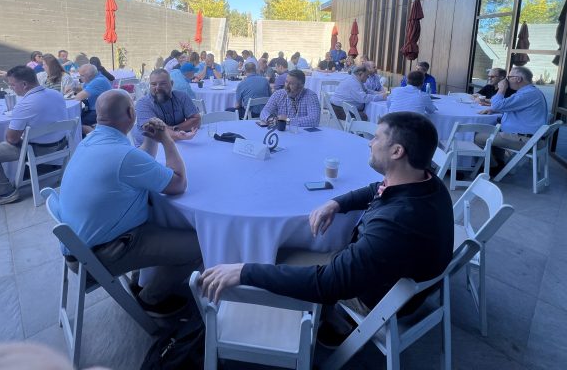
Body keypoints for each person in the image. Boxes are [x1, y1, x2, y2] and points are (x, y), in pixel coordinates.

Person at [199, 112, 454, 337]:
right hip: (407, 283)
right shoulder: (426, 182)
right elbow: (379, 188)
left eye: (377, 138)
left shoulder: (396, 223)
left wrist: (245, 271)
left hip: (381, 300)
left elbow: (327, 283)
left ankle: (329, 323)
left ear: (397, 151)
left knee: (282, 257)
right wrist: (337, 203)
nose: (370, 143)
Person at [58, 90, 202, 315]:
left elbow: (137, 163)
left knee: (158, 219)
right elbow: (178, 183)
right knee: (199, 246)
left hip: (80, 248)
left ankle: (142, 280)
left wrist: (151, 139)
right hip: (100, 255)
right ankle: (151, 298)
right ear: (130, 113)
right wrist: (166, 139)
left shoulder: (92, 141)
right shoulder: (122, 154)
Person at [0, 65, 68, 205]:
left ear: (24, 85)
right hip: (61, 143)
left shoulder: (25, 104)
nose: (11, 88)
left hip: (38, 149)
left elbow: (11, 139)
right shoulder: (56, 94)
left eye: (12, 85)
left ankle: (5, 193)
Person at [476, 66, 549, 168]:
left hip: (525, 140)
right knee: (494, 131)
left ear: (518, 79)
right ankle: (499, 162)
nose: (506, 80)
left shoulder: (527, 94)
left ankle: (493, 167)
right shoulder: (529, 92)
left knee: (477, 137)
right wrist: (493, 109)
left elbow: (497, 104)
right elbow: (507, 105)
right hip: (527, 137)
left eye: (509, 77)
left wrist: (501, 89)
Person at [134, 68, 200, 145]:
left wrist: (175, 128)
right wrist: (178, 135)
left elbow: (196, 120)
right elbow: (154, 130)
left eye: (163, 83)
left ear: (171, 84)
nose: (158, 88)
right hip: (150, 148)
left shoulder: (182, 97)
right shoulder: (143, 103)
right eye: (153, 84)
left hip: (179, 143)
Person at [73, 63, 113, 131]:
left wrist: (72, 95)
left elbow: (78, 97)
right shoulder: (95, 78)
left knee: (77, 123)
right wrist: (73, 88)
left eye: (81, 75)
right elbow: (84, 88)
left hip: (103, 112)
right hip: (99, 109)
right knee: (78, 117)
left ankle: (94, 134)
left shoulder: (98, 81)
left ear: (89, 75)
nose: (80, 78)